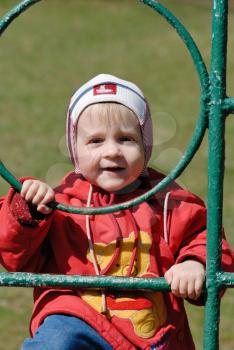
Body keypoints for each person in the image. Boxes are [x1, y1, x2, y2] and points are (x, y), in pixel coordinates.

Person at [0, 74, 233, 350]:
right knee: (55, 341)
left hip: (150, 333)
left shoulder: (169, 201)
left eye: (126, 139)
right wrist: (26, 210)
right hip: (76, 320)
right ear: (76, 149)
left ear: (144, 144)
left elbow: (204, 236)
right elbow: (14, 255)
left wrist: (196, 264)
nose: (112, 151)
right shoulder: (60, 203)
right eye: (96, 141)